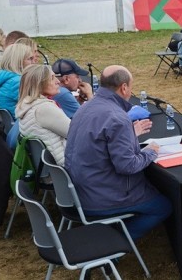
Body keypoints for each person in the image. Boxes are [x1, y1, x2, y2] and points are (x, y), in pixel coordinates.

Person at [64, 66, 171, 241]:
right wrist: (150, 152)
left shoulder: (85, 107)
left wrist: (130, 135)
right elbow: (127, 166)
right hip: (102, 197)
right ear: (123, 87)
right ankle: (115, 243)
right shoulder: (117, 117)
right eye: (131, 86)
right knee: (163, 206)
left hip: (79, 190)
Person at [16, 65, 71, 165]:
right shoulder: (43, 108)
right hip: (65, 166)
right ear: (39, 84)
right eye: (52, 78)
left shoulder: (27, 106)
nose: (58, 81)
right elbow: (76, 133)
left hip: (50, 169)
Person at [0, 42, 37, 117]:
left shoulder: (8, 77)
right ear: (18, 62)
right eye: (30, 59)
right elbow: (36, 105)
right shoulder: (17, 82)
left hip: (12, 122)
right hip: (19, 124)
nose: (34, 62)